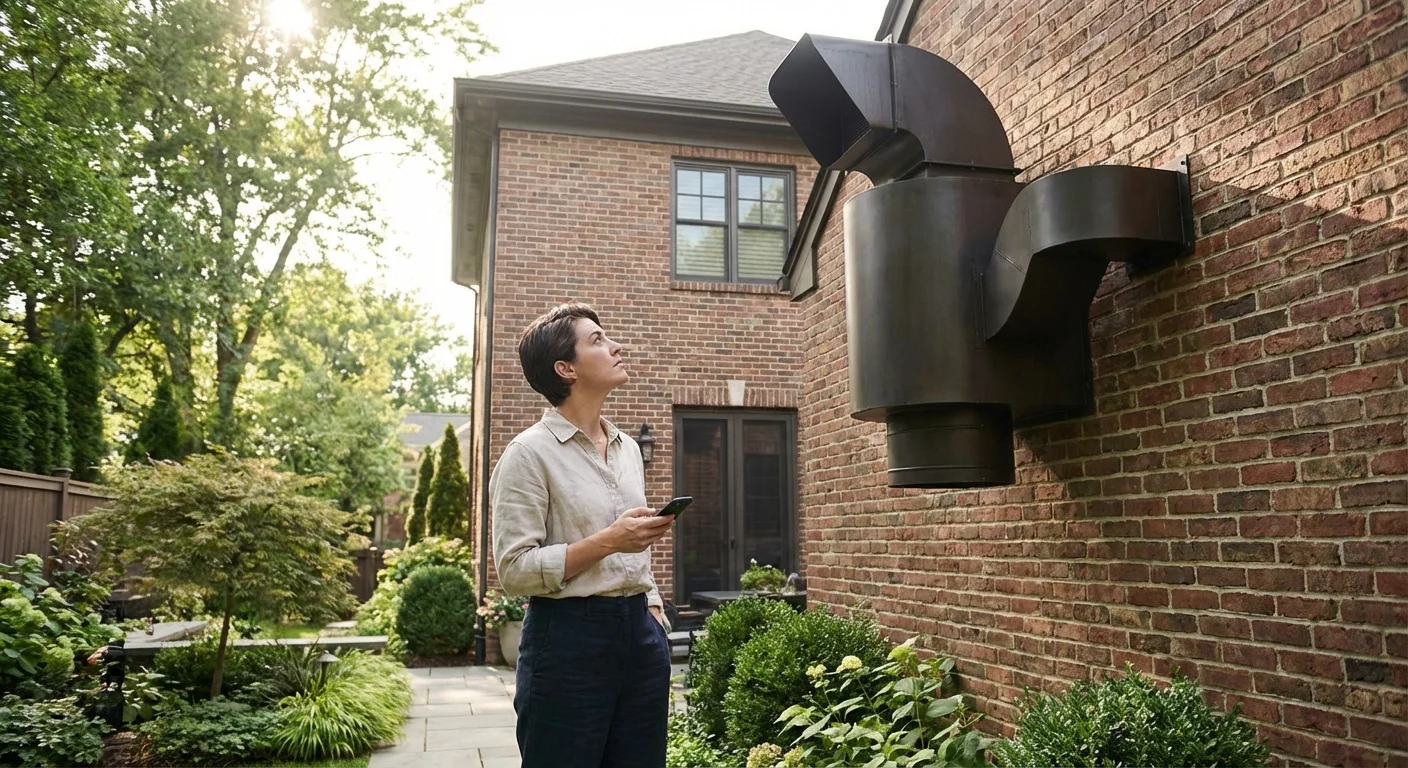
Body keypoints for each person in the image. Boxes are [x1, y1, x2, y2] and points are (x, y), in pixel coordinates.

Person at [490, 302, 676, 768]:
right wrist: (611, 540)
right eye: (597, 339)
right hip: (567, 642)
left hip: (639, 636)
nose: (616, 346)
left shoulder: (628, 448)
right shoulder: (528, 455)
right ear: (565, 368)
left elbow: (633, 545)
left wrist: (652, 608)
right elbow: (514, 571)